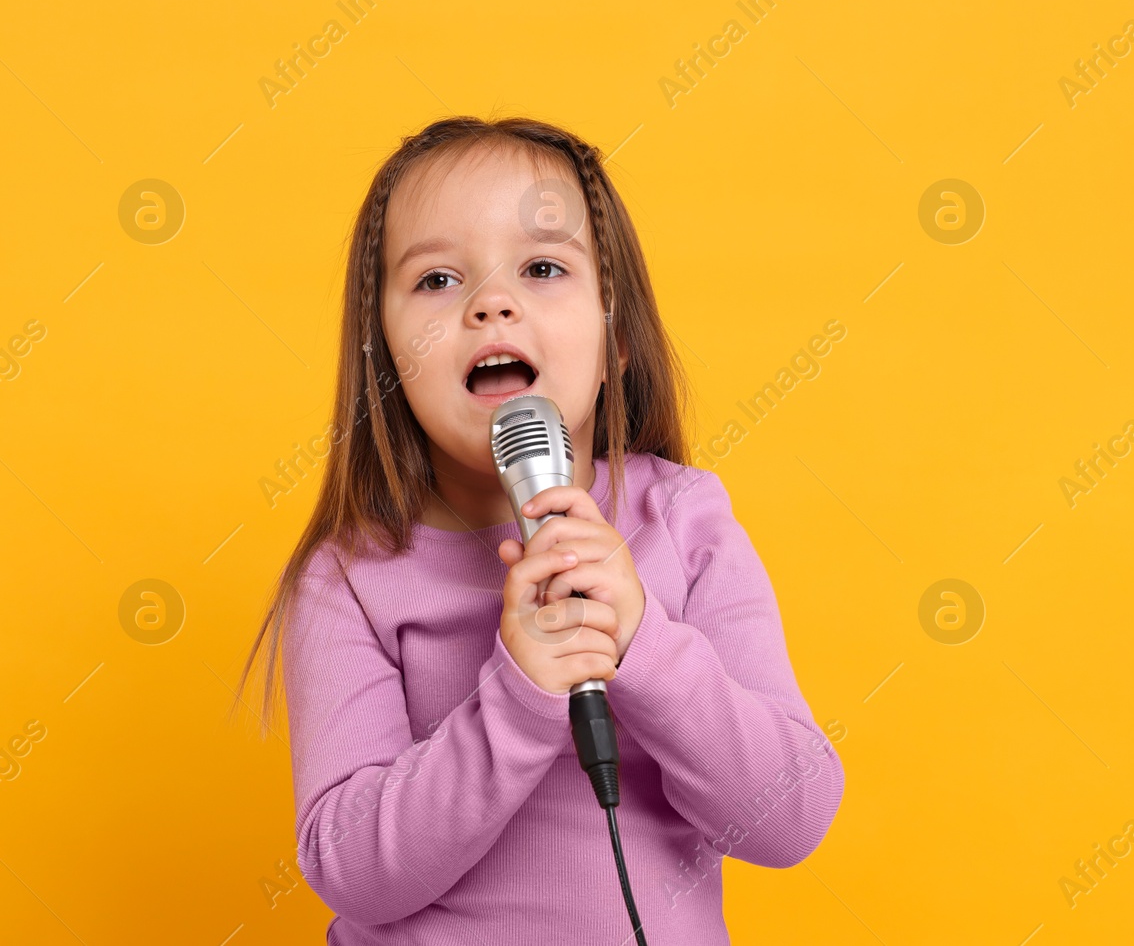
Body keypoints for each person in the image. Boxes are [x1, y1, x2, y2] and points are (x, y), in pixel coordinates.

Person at [235, 115, 844, 944]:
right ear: (383, 353)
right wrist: (519, 697)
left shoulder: (686, 525)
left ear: (616, 338)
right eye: (439, 280)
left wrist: (642, 644)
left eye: (543, 267)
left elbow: (791, 816)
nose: (493, 302)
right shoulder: (352, 578)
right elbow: (351, 870)